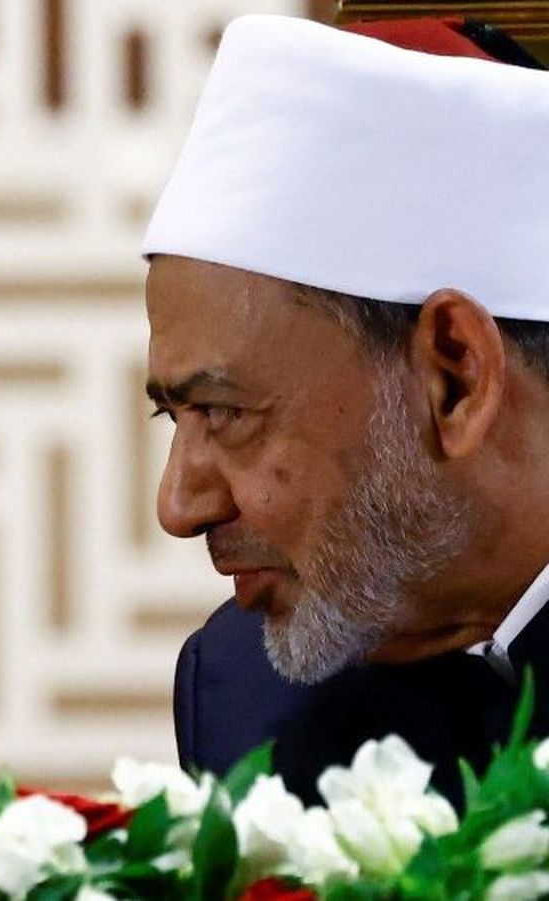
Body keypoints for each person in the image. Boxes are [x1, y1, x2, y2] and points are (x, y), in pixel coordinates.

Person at [146, 15, 549, 804]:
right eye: (173, 415)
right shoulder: (243, 701)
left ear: (455, 378)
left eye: (225, 413)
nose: (178, 505)